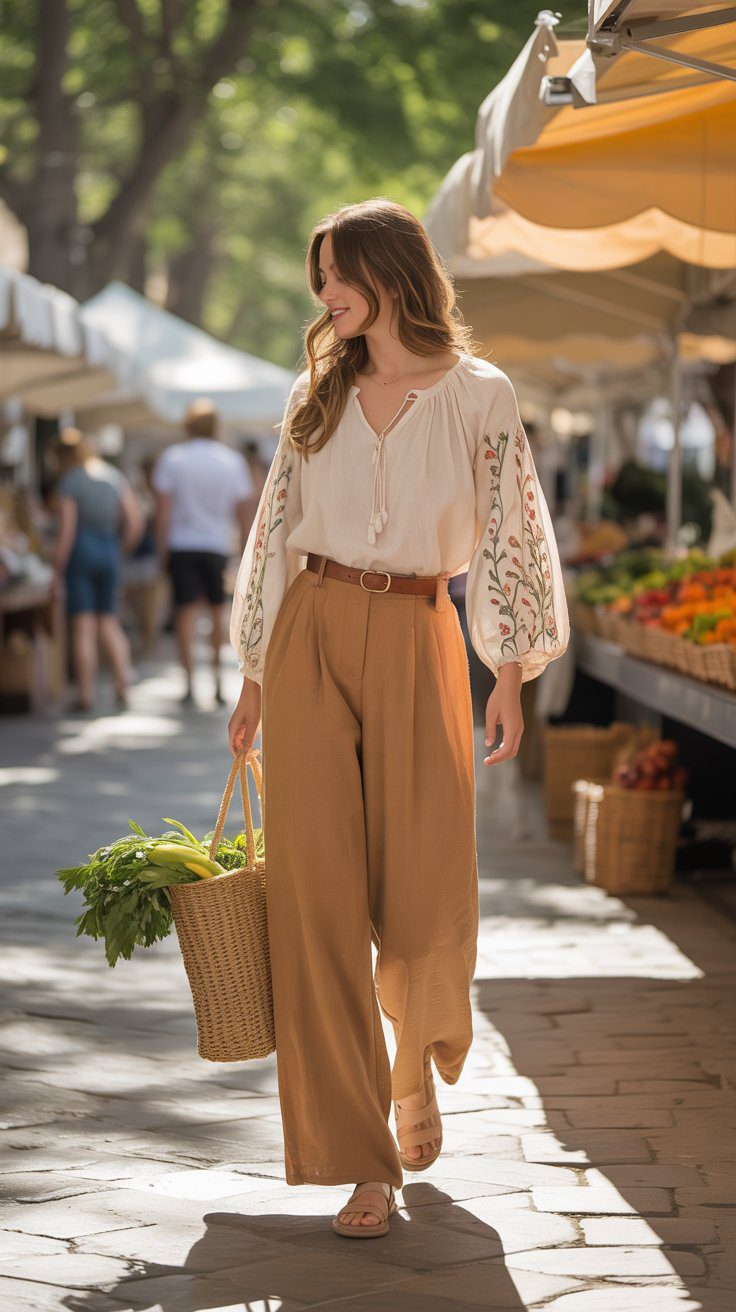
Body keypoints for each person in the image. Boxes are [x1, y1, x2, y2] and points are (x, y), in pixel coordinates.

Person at [228, 199, 570, 1238]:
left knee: (425, 899)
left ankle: (413, 1058)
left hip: (424, 628)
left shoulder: (480, 392)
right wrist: (252, 673)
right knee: (316, 908)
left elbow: (513, 531)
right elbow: (274, 530)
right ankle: (362, 1159)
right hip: (311, 635)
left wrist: (509, 670)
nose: (322, 295)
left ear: (391, 272)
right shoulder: (315, 391)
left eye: (337, 274)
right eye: (318, 275)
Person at [152, 400, 256, 706]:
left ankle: (188, 682)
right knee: (216, 612)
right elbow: (244, 510)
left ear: (187, 425)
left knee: (184, 613)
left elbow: (163, 513)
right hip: (217, 544)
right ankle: (217, 680)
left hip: (182, 543)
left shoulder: (173, 459)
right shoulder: (231, 461)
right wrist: (245, 550)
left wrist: (161, 551)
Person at [51, 427, 143, 711]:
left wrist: (57, 569)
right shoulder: (113, 476)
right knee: (109, 622)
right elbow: (134, 521)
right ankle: (122, 685)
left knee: (83, 627)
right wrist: (120, 549)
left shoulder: (70, 482)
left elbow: (67, 531)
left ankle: (86, 694)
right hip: (109, 550)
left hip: (81, 552)